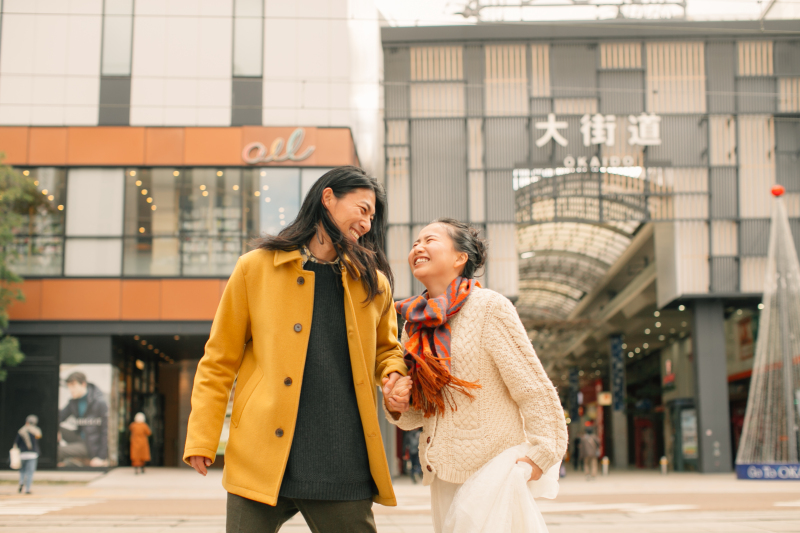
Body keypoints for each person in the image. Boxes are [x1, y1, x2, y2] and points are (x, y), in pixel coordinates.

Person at [183, 166, 410, 533]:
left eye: (372, 216)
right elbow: (219, 361)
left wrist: (394, 375)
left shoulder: (373, 282)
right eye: (363, 209)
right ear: (328, 197)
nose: (367, 223)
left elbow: (387, 350)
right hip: (261, 453)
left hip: (342, 456)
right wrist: (202, 436)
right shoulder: (255, 268)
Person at [384, 219, 568, 533]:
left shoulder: (489, 308)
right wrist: (397, 403)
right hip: (443, 476)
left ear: (460, 258)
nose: (418, 247)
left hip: (493, 472)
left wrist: (542, 453)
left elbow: (533, 388)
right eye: (415, 242)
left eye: (430, 240)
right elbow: (421, 414)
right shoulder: (415, 322)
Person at [57, 371, 109, 467]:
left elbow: (105, 431)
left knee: (58, 451)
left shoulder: (99, 402)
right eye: (69, 387)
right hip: (79, 436)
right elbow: (59, 417)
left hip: (90, 444)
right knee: (54, 428)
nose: (71, 390)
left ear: (83, 384)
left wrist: (101, 457)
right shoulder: (74, 401)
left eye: (73, 386)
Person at [15, 415, 41, 495]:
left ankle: (21, 482)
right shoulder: (36, 431)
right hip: (32, 454)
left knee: (22, 471)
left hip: (22, 454)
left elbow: (16, 443)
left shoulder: (21, 430)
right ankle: (27, 489)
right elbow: (38, 438)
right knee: (30, 472)